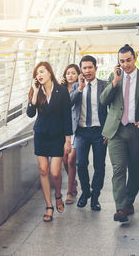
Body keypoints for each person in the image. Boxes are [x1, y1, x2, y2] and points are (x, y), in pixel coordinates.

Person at [100, 44, 139, 223]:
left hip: (136, 129)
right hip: (116, 131)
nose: (125, 64)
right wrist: (115, 82)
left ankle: (129, 201)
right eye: (121, 61)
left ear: (135, 58)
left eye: (128, 60)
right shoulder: (114, 77)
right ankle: (120, 208)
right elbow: (103, 100)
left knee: (134, 168)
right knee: (118, 168)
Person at [27, 61, 73, 222]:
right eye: (36, 73)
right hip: (41, 135)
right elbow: (30, 113)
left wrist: (68, 140)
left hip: (57, 136)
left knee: (55, 172)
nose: (39, 75)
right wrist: (34, 92)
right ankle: (49, 206)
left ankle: (58, 195)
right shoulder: (36, 92)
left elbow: (67, 116)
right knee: (43, 170)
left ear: (49, 72)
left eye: (41, 72)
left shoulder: (61, 91)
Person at [69, 55, 108, 211]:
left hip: (100, 132)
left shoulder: (104, 85)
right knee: (81, 164)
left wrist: (109, 131)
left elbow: (112, 108)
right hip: (81, 132)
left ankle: (95, 197)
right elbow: (69, 103)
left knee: (99, 166)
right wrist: (79, 88)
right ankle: (85, 192)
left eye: (90, 67)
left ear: (95, 68)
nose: (87, 71)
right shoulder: (75, 87)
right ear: (81, 70)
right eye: (84, 68)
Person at [60, 64, 80, 205]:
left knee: (71, 158)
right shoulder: (60, 90)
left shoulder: (81, 87)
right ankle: (73, 182)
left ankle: (69, 191)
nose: (70, 75)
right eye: (68, 73)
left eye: (73, 73)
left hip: (76, 129)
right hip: (62, 129)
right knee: (64, 159)